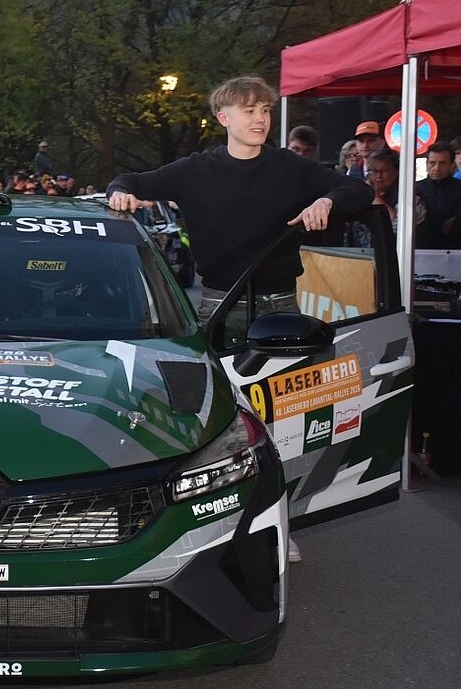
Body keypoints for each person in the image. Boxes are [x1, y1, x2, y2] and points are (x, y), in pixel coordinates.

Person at [108, 75, 371, 559]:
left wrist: (327, 200)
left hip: (281, 309)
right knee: (215, 420)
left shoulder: (290, 167)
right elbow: (131, 182)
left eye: (265, 111)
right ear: (223, 117)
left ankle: (280, 521)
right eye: (249, 111)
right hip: (217, 307)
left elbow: (359, 189)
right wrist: (122, 193)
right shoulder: (195, 169)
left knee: (286, 419)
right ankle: (214, 522)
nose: (260, 119)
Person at [415, 142, 461, 248]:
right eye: (432, 163)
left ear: (452, 165)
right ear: (427, 164)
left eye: (442, 163)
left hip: (457, 249)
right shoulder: (415, 190)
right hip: (421, 249)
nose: (436, 168)